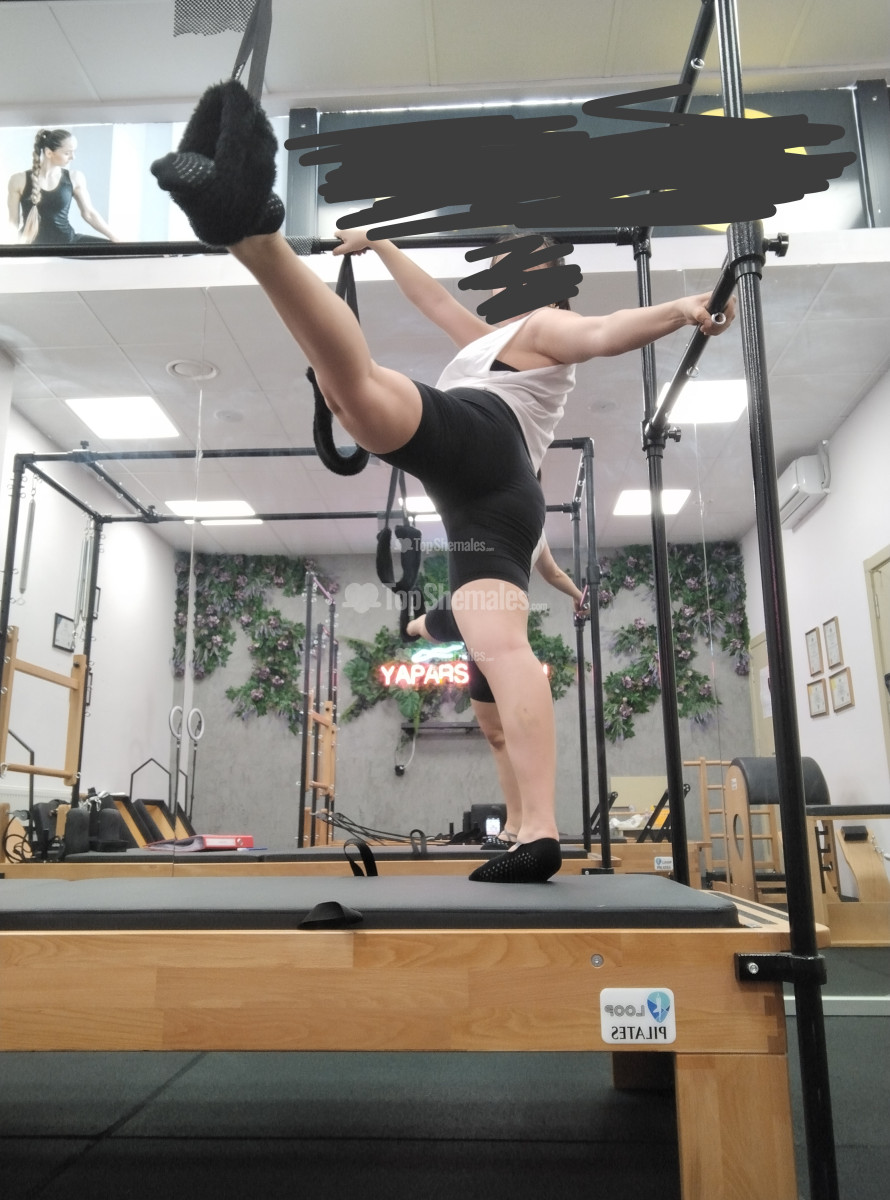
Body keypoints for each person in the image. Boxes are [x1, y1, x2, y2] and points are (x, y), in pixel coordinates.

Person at [151, 80, 736, 882]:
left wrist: (679, 307)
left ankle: (256, 238)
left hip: (486, 451)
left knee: (361, 398)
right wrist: (378, 245)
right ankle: (528, 828)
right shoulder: (491, 340)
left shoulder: (547, 324)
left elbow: (604, 331)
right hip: (489, 502)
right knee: (359, 409)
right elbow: (431, 300)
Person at [406, 532, 589, 850]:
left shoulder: (534, 531)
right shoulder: (486, 517)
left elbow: (554, 573)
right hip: (464, 608)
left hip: (497, 634)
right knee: (425, 628)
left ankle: (516, 826)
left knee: (497, 736)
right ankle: (409, 625)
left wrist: (578, 595)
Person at [7, 128, 120, 245]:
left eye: (73, 152)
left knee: (112, 248)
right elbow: (13, 222)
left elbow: (89, 214)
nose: (73, 157)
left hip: (67, 244)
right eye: (67, 153)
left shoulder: (75, 177)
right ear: (49, 153)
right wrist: (11, 251)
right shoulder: (18, 180)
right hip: (32, 247)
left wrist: (116, 239)